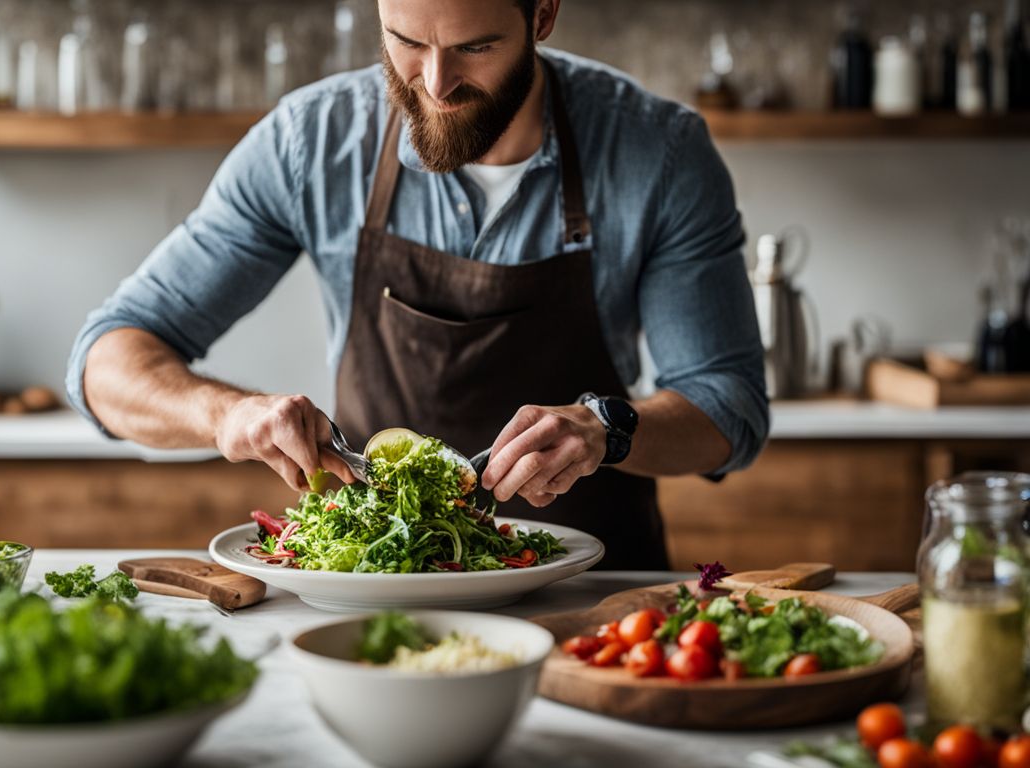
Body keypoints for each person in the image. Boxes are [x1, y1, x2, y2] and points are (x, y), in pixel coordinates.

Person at [66, 0, 768, 569]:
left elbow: (727, 406)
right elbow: (107, 360)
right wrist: (226, 416)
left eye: (475, 48)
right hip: (373, 585)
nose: (434, 84)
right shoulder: (310, 143)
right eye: (405, 39)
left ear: (543, 14)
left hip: (588, 591)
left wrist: (606, 430)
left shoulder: (660, 153)